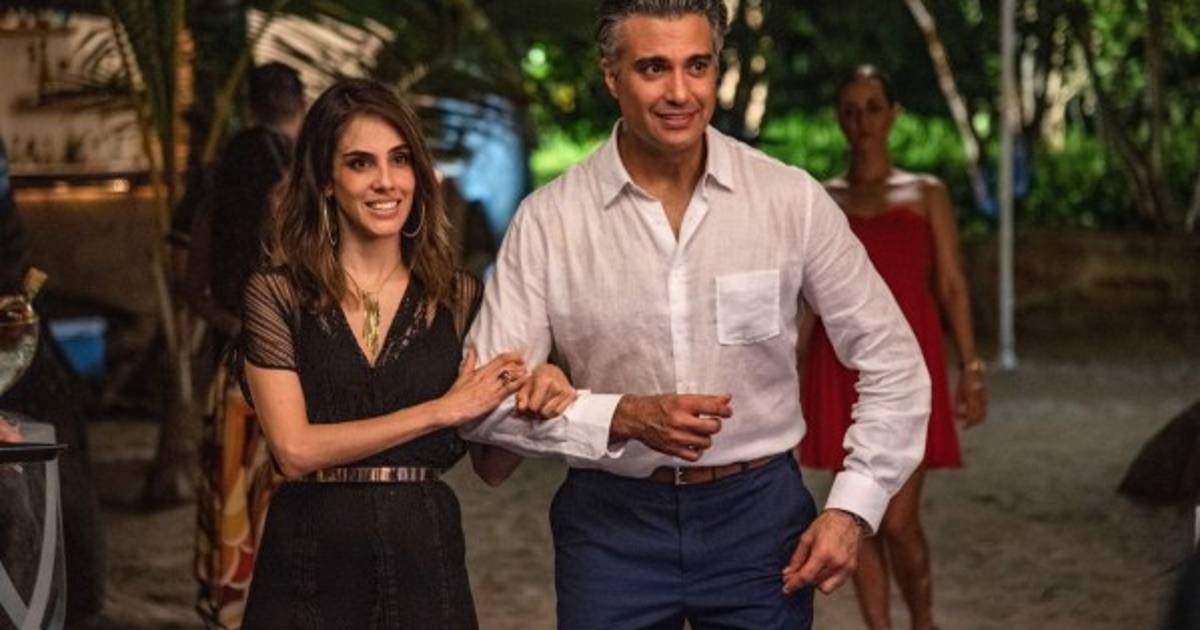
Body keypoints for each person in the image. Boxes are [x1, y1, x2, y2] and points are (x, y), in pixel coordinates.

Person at [460, 2, 932, 628]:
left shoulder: (789, 199)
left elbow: (895, 362)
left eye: (697, 66)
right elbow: (483, 407)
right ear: (611, 76)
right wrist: (619, 416)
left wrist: (852, 509)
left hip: (760, 521)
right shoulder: (550, 220)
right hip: (610, 528)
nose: (680, 92)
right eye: (653, 68)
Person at [237, 78, 570, 628]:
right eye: (360, 163)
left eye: (400, 159)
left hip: (424, 560)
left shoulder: (459, 299)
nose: (386, 181)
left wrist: (541, 391)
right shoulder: (277, 295)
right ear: (326, 181)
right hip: (309, 559)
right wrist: (440, 411)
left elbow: (492, 465)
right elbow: (294, 449)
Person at [797, 64, 988, 630]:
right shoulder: (821, 197)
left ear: (894, 113)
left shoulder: (926, 193)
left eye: (874, 108)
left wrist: (971, 368)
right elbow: (806, 301)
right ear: (839, 119)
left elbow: (951, 284)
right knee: (858, 514)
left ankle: (923, 621)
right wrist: (789, 373)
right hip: (838, 365)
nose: (863, 121)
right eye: (851, 110)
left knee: (899, 520)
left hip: (909, 366)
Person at [186, 62, 305, 629]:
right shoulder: (306, 174)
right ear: (300, 105)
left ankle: (235, 607)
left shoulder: (218, 175)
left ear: (249, 106)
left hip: (233, 368)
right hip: (296, 372)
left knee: (238, 501)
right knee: (289, 503)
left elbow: (194, 287)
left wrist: (237, 326)